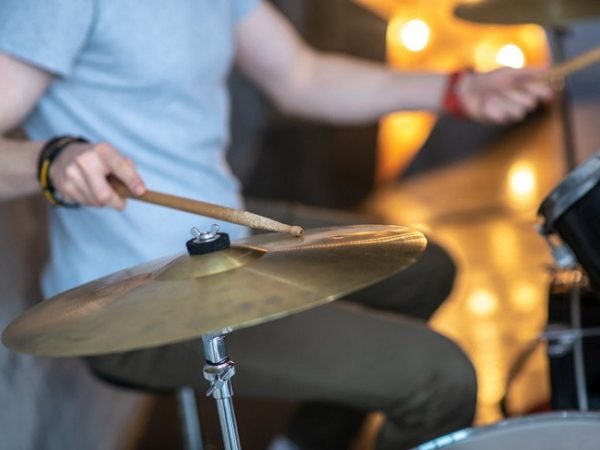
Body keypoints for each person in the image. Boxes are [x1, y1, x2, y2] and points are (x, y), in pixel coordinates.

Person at [0, 1, 552, 449]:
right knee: (442, 378)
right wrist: (51, 159)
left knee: (426, 266)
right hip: (125, 298)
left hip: (219, 231)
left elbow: (301, 76)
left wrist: (455, 90)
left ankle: (306, 441)